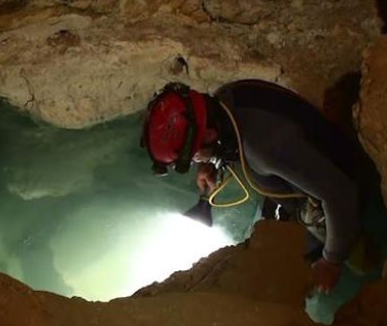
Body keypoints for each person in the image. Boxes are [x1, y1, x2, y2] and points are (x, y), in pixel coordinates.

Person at [140, 80, 369, 294]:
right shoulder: (225, 100)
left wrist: (332, 261)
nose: (195, 161)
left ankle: (362, 253)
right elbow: (231, 140)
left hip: (343, 188)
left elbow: (340, 194)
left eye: (193, 156)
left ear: (209, 134)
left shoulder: (264, 148)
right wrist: (213, 163)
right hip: (306, 163)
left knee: (282, 277)